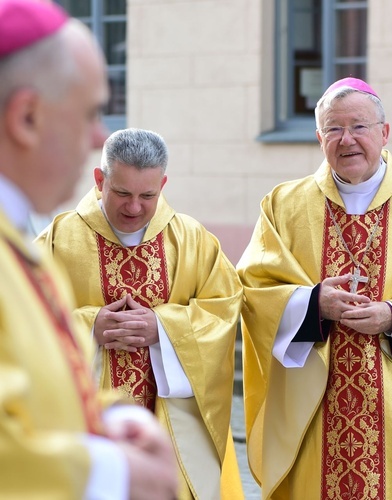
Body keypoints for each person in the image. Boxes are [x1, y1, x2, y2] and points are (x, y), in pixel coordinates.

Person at [237, 78, 392, 499]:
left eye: (359, 127)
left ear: (384, 133)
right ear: (319, 138)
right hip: (315, 405)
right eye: (333, 129)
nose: (346, 140)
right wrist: (313, 303)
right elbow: (253, 288)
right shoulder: (283, 205)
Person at [0, 1, 178, 498]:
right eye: (90, 113)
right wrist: (114, 473)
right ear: (27, 117)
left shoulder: (21, 241)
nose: (99, 136)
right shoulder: (52, 238)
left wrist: (105, 414)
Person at [37, 127, 244, 499]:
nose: (134, 207)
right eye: (122, 193)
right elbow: (25, 318)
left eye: (147, 195)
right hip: (86, 424)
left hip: (171, 427)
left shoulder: (192, 239)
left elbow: (225, 309)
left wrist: (164, 329)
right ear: (100, 180)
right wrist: (89, 326)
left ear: (163, 184)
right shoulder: (59, 239)